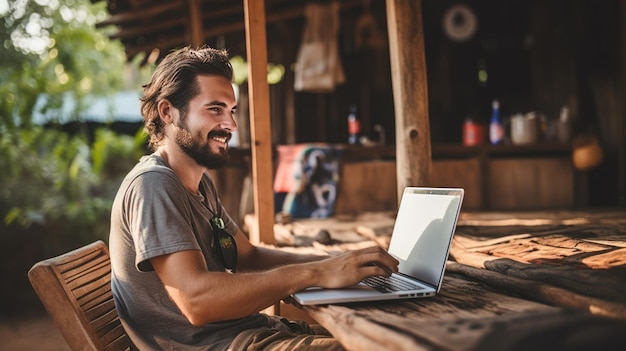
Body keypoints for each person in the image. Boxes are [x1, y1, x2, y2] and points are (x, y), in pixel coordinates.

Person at [108, 46, 399, 351]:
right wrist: (316, 273)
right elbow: (197, 301)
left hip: (252, 333)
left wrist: (336, 262)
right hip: (225, 345)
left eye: (231, 111)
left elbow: (248, 258)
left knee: (383, 337)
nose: (230, 125)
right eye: (215, 109)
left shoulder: (198, 183)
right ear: (168, 113)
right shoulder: (153, 186)